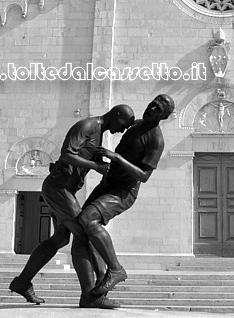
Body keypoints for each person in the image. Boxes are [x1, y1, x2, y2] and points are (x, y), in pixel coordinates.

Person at [8, 104, 135, 308]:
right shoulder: (87, 125)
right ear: (116, 115)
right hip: (59, 189)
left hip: (64, 190)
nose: (122, 130)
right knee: (85, 234)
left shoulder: (99, 133)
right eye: (124, 124)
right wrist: (96, 166)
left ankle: (22, 282)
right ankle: (91, 295)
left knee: (60, 238)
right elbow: (66, 154)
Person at [74, 94, 175, 301]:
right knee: (80, 232)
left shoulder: (156, 139)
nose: (152, 109)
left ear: (163, 116)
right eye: (152, 104)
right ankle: (91, 294)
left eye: (158, 109)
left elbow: (144, 176)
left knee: (87, 219)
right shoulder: (136, 125)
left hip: (123, 192)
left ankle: (116, 269)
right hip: (108, 185)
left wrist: (116, 157)